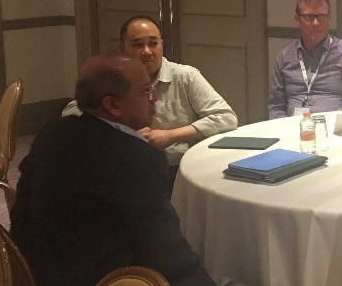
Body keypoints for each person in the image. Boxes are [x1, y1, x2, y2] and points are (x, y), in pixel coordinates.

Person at [11, 54, 281, 286]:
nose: (153, 98)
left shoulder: (54, 133)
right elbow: (168, 255)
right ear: (112, 105)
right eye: (145, 92)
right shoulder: (133, 158)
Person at [64, 15, 237, 194]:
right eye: (138, 45)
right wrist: (120, 132)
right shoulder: (114, 78)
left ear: (162, 44)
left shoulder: (185, 76)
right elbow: (73, 111)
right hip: (127, 166)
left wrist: (171, 136)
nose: (146, 51)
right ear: (122, 49)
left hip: (180, 165)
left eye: (153, 43)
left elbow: (226, 118)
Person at [268, 0, 342, 118]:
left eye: (321, 16)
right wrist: (286, 131)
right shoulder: (283, 58)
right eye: (309, 17)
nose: (315, 23)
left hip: (335, 131)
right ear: (297, 19)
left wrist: (324, 124)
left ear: (329, 19)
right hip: (292, 131)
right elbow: (276, 106)